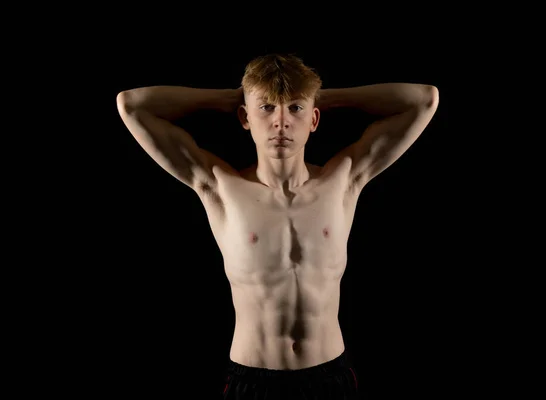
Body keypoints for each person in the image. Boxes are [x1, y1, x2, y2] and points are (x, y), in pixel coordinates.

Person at [116, 53, 439, 399]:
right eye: (267, 108)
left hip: (330, 378)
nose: (281, 122)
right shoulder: (220, 186)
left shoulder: (343, 180)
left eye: (296, 109)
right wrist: (234, 96)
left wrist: (318, 96)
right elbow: (131, 105)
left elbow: (425, 100)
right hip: (252, 381)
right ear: (244, 116)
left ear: (315, 118)